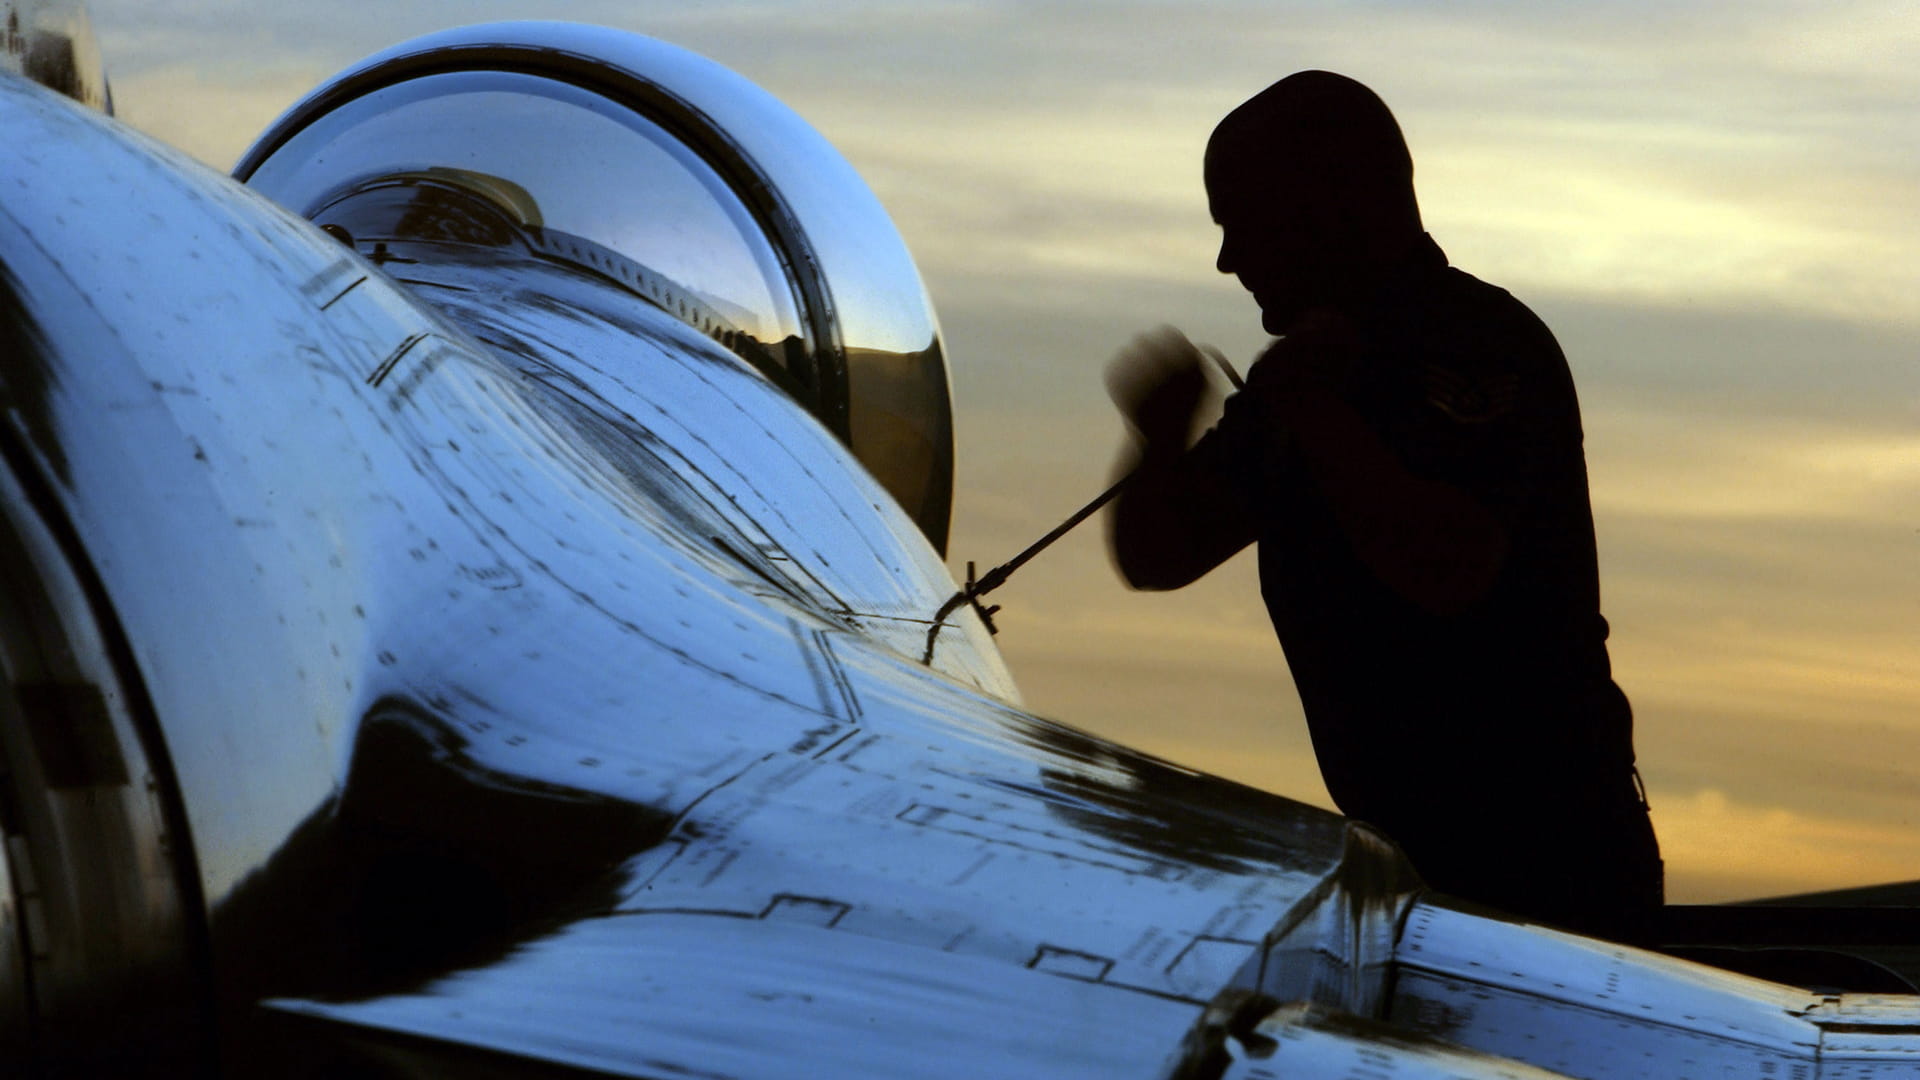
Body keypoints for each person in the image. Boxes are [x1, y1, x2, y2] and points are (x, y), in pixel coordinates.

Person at [1106, 71, 1662, 938]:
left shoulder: (1478, 346)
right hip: (1412, 881)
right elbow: (1162, 556)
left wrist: (1315, 414)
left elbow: (1448, 567)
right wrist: (1159, 440)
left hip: (1548, 874)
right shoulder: (1307, 374)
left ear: (1330, 199)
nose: (1228, 259)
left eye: (1240, 221)